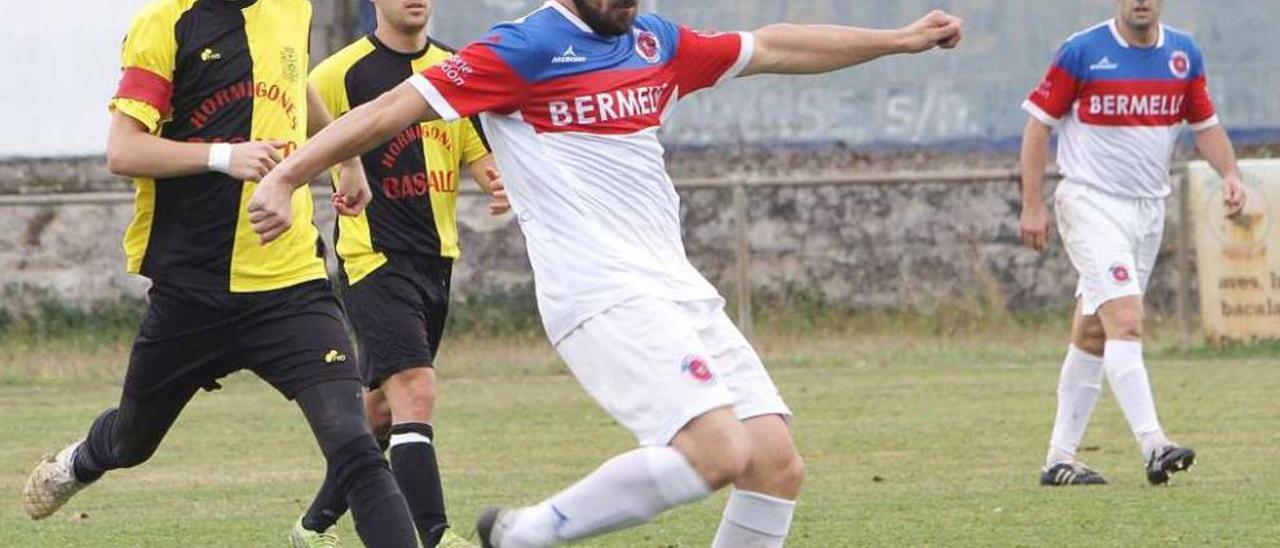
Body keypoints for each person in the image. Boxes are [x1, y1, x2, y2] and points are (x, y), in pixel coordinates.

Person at [249, 1, 963, 545]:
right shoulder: (522, 48)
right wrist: (286, 178)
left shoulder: (653, 41)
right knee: (717, 450)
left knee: (775, 465)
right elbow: (384, 113)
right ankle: (525, 533)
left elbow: (773, 45)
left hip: (678, 289)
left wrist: (898, 39)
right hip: (600, 291)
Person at [21, 1, 418, 546]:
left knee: (355, 445)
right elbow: (123, 148)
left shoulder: (293, 8)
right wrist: (221, 157)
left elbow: (296, 81)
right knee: (130, 444)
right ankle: (79, 461)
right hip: (192, 293)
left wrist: (345, 157)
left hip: (291, 287)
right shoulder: (165, 24)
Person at [292, 0, 508, 546]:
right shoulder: (337, 74)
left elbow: (479, 158)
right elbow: (303, 145)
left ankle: (311, 527)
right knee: (416, 390)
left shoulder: (454, 71)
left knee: (383, 412)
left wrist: (504, 185)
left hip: (437, 260)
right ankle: (434, 535)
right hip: (374, 258)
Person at [1019, 0, 1245, 486]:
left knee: (1095, 332)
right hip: (1090, 202)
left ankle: (1058, 458)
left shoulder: (1183, 54)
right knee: (1126, 321)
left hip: (1146, 210)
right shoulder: (1082, 51)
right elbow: (1038, 124)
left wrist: (1229, 173)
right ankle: (1154, 444)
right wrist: (1032, 203)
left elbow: (1205, 127)